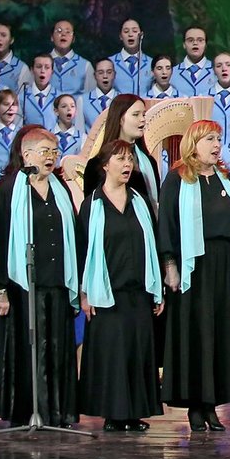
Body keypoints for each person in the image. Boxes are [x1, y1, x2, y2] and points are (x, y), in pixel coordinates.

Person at [0, 128, 82, 428]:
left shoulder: (60, 188)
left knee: (55, 348)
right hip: (20, 288)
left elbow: (73, 235)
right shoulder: (7, 190)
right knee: (29, 348)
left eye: (54, 151)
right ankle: (26, 412)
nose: (52, 157)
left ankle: (56, 412)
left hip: (56, 283)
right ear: (27, 155)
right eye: (45, 151)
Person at [157, 120, 230, 432]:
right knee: (195, 335)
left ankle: (212, 405)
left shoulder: (225, 177)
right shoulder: (178, 178)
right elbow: (166, 224)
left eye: (218, 139)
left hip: (223, 265)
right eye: (210, 138)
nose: (216, 144)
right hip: (193, 266)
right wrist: (170, 265)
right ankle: (195, 406)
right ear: (194, 142)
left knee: (218, 334)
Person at [76, 138, 165, 432]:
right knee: (112, 354)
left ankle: (134, 412)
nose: (127, 165)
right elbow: (82, 250)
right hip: (106, 293)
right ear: (105, 166)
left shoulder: (139, 202)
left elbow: (151, 245)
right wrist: (85, 293)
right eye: (120, 160)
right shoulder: (93, 204)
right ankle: (113, 414)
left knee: (137, 352)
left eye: (130, 160)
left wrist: (157, 289)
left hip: (138, 291)